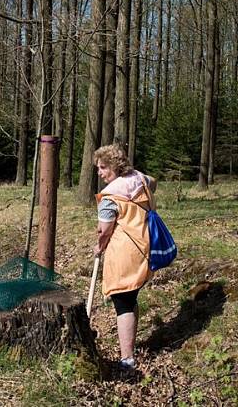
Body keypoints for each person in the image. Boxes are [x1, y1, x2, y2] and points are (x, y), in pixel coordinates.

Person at [91, 144, 157, 371]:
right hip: (145, 247)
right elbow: (153, 182)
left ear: (115, 166)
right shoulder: (139, 178)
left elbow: (104, 230)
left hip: (125, 254)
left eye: (102, 167)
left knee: (122, 303)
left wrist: (98, 247)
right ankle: (131, 346)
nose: (99, 173)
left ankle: (127, 359)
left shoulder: (110, 195)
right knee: (131, 297)